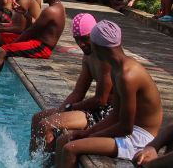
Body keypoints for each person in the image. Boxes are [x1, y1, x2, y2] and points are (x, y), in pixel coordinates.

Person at [56, 20, 163, 168]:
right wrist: (87, 133)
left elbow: (126, 128)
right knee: (64, 140)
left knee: (70, 148)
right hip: (130, 131)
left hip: (141, 139)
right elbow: (115, 115)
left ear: (99, 47)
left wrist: (89, 136)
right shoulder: (117, 68)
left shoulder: (127, 75)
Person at [29, 13, 114, 155]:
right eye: (77, 40)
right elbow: (78, 93)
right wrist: (63, 109)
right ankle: (31, 162)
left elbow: (101, 100)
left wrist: (72, 107)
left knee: (47, 125)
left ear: (95, 35)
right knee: (37, 118)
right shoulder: (88, 58)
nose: (81, 44)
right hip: (95, 109)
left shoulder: (105, 59)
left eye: (85, 39)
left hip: (107, 113)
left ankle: (46, 165)